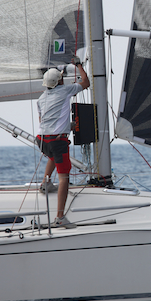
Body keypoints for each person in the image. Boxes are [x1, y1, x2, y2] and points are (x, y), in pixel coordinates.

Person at [36, 58, 90, 228]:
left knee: (53, 156)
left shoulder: (41, 99)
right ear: (59, 81)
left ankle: (45, 184)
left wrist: (67, 126)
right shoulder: (66, 90)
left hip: (42, 139)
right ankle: (60, 217)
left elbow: (44, 121)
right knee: (64, 178)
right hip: (57, 141)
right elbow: (86, 82)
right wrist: (79, 65)